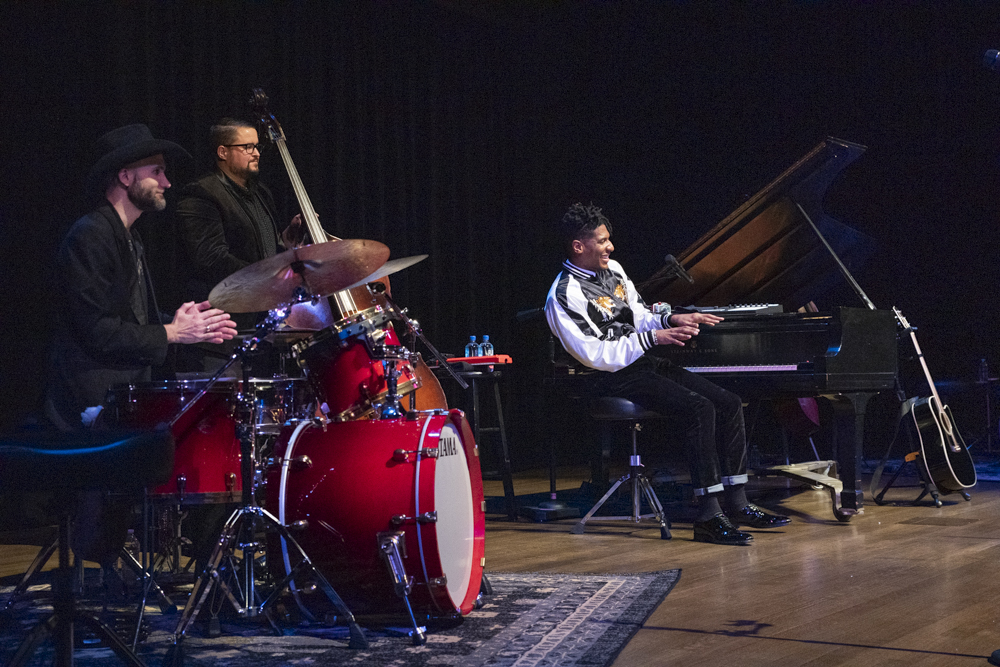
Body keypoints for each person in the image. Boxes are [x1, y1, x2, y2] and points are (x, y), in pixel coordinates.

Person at [40, 123, 239, 583]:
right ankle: (94, 573)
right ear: (126, 177)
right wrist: (172, 333)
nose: (167, 183)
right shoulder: (90, 234)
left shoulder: (130, 236)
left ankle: (124, 566)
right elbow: (98, 332)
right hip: (89, 395)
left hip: (121, 390)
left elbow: (133, 321)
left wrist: (188, 325)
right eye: (158, 172)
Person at [544, 203, 790, 546]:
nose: (610, 247)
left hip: (639, 362)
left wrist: (671, 320)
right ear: (578, 246)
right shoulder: (562, 295)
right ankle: (708, 516)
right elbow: (595, 354)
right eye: (602, 241)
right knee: (699, 407)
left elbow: (640, 314)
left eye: (608, 239)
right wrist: (651, 338)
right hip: (604, 375)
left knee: (729, 402)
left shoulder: (613, 269)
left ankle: (738, 503)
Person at [175, 117, 304, 335]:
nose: (257, 153)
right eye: (247, 147)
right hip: (224, 321)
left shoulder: (260, 192)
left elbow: (264, 248)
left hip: (260, 315)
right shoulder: (200, 193)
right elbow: (211, 258)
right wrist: (269, 277)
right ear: (222, 152)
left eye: (257, 146)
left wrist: (286, 239)